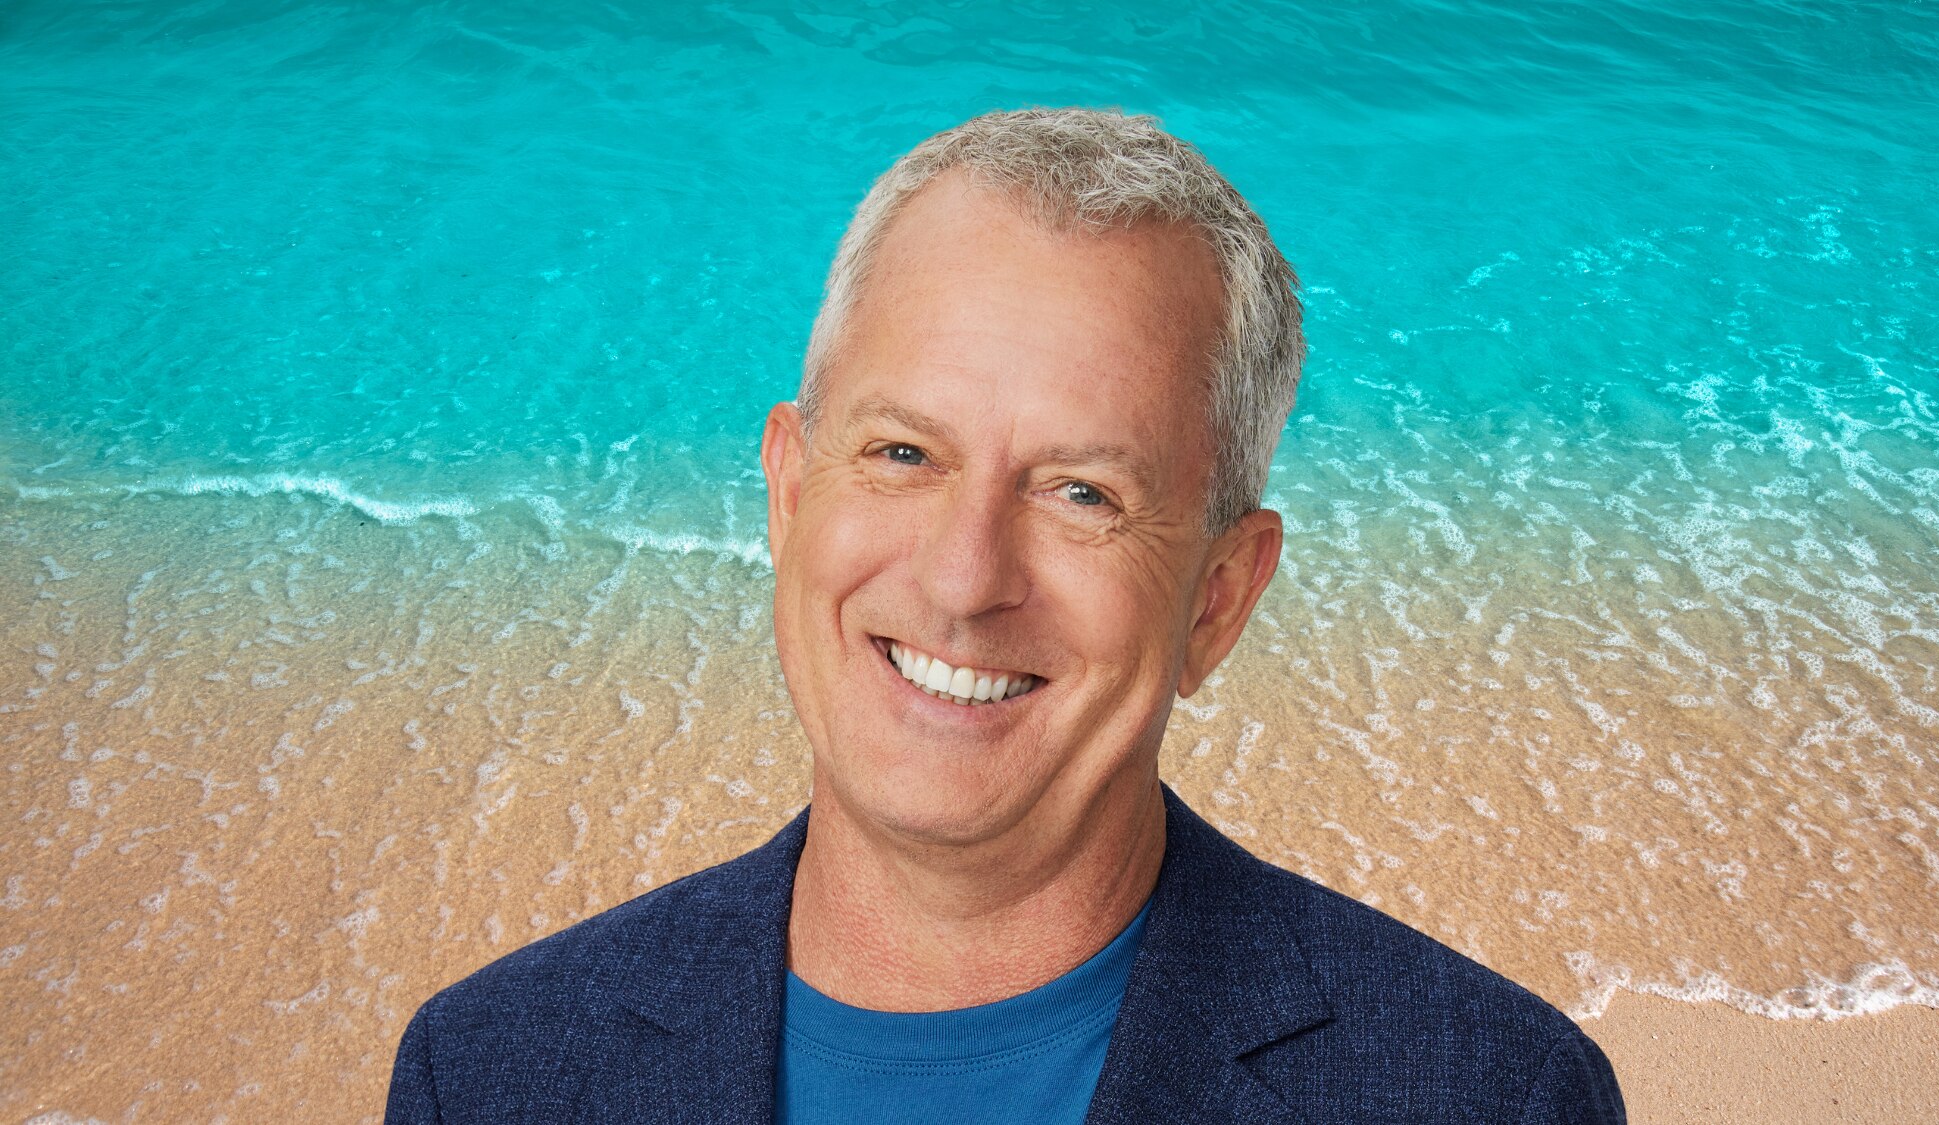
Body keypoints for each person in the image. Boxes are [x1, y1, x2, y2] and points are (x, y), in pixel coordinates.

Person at [385, 107, 1625, 1124]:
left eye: (1082, 492)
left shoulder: (1488, 1095)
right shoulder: (486, 1073)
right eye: (904, 453)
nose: (965, 578)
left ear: (1217, 599)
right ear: (787, 491)